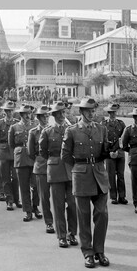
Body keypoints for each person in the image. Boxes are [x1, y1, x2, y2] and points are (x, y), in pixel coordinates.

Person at [61, 96, 110, 268]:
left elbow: (105, 151)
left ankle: (99, 251)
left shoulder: (101, 129)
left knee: (102, 215)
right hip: (81, 176)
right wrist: (79, 168)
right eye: (88, 111)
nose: (92, 113)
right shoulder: (72, 131)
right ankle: (88, 252)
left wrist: (110, 154)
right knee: (84, 217)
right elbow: (65, 155)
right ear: (81, 112)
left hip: (99, 176)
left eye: (93, 110)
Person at [40, 101, 78, 248]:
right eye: (59, 113)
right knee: (58, 205)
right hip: (55, 171)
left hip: (70, 170)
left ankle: (72, 234)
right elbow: (43, 152)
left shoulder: (72, 129)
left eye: (64, 113)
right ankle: (62, 236)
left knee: (73, 204)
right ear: (54, 115)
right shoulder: (47, 131)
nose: (62, 115)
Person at [9, 104, 41, 222]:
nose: (28, 115)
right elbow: (11, 144)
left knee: (36, 185)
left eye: (30, 113)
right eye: (26, 114)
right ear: (21, 115)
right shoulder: (14, 127)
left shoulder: (36, 126)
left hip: (33, 159)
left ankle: (35, 207)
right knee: (24, 186)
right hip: (21, 159)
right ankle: (27, 211)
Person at [28, 105, 55, 234]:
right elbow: (30, 152)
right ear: (38, 118)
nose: (46, 118)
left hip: (55, 166)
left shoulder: (53, 130)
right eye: (43, 116)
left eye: (47, 116)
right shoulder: (33, 132)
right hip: (41, 167)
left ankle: (62, 223)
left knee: (58, 197)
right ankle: (49, 222)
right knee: (44, 197)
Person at [0, 101, 21, 211]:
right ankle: (9, 201)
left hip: (14, 152)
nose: (9, 113)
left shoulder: (17, 123)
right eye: (7, 111)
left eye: (11, 110)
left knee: (16, 177)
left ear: (14, 111)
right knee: (5, 177)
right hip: (3, 152)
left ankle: (16, 199)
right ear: (4, 112)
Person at [100, 103, 128, 205]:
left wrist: (118, 150)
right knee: (110, 175)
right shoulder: (103, 124)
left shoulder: (121, 124)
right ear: (108, 113)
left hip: (119, 152)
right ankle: (113, 197)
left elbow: (124, 138)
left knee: (120, 175)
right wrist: (108, 152)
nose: (113, 114)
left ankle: (122, 196)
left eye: (114, 112)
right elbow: (102, 140)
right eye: (111, 112)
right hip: (109, 153)